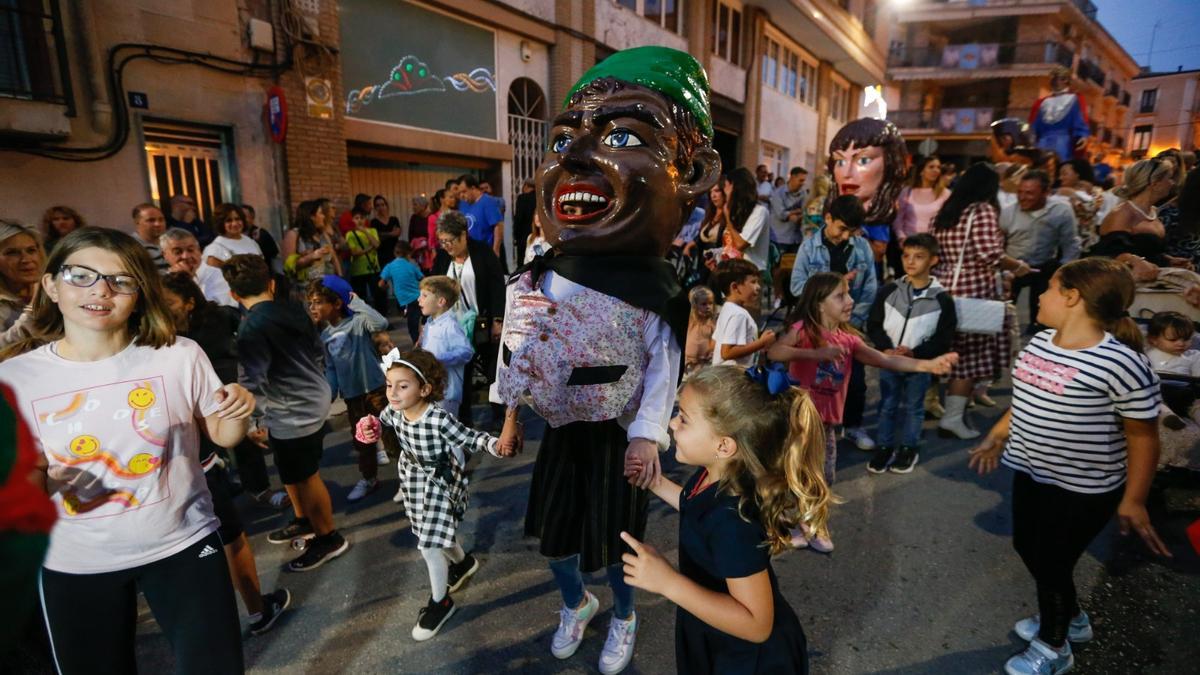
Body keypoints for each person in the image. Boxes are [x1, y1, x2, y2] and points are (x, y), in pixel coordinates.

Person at [492, 46, 722, 675]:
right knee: (557, 539)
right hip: (561, 433)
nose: (573, 157)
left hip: (620, 439)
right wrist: (510, 414)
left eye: (620, 135)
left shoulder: (658, 291)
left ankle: (624, 614)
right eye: (564, 137)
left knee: (621, 541)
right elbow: (516, 353)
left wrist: (648, 438)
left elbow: (662, 368)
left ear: (690, 171)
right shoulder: (537, 275)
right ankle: (577, 603)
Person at [0, 227, 251, 673]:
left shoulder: (178, 355)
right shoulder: (17, 378)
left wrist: (239, 407)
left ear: (140, 292)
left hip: (184, 543)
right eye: (81, 275)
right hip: (75, 562)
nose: (101, 290)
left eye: (121, 280)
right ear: (51, 285)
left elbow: (224, 435)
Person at [968, 258, 1172, 675]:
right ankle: (1072, 618)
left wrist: (1134, 500)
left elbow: (1143, 436)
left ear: (1072, 297)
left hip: (1084, 488)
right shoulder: (1041, 342)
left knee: (1052, 564)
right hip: (1030, 472)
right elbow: (1026, 398)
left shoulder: (1121, 363)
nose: (1039, 296)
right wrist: (998, 433)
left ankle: (1054, 646)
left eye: (1047, 289)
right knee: (1028, 547)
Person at [619, 366, 828, 674]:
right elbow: (696, 510)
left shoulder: (733, 521)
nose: (673, 424)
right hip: (717, 628)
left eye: (684, 419)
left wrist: (668, 582)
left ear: (724, 446)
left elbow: (757, 625)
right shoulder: (714, 476)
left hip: (745, 657)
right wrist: (656, 484)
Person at [159, 272, 291, 635]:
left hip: (208, 445)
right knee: (215, 544)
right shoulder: (164, 349)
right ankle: (243, 614)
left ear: (188, 301)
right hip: (183, 467)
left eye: (167, 303)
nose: (161, 310)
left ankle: (254, 610)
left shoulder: (201, 335)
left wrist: (245, 412)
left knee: (223, 538)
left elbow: (225, 427)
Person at [768, 272, 956, 523]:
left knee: (824, 478)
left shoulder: (849, 340)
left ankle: (809, 524)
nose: (850, 301)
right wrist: (816, 354)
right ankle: (786, 522)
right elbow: (775, 352)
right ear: (819, 303)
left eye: (849, 294)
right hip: (798, 422)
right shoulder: (803, 330)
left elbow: (885, 359)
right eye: (841, 296)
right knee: (792, 474)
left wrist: (928, 365)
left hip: (826, 425)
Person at [355, 348, 504, 641]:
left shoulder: (437, 419)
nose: (393, 393)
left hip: (439, 482)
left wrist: (497, 444)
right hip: (412, 479)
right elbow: (381, 421)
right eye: (389, 385)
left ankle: (441, 603)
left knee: (429, 545)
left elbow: (469, 437)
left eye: (403, 385)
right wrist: (369, 427)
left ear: (425, 389)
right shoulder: (394, 410)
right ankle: (463, 563)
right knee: (430, 532)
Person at [223, 254, 349, 571]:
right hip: (308, 399)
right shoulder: (293, 309)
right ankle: (303, 520)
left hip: (291, 410)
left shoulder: (251, 326)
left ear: (233, 294)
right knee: (292, 470)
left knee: (304, 475)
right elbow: (318, 351)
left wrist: (252, 422)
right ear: (271, 283)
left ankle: (328, 537)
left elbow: (252, 382)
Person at [931, 163, 1033, 439]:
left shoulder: (945, 212)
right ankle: (952, 419)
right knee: (968, 358)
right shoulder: (982, 211)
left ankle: (925, 411)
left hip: (941, 287)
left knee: (939, 353)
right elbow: (990, 254)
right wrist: (1018, 266)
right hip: (972, 290)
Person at [789, 195, 879, 451]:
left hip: (850, 325)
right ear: (828, 218)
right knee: (814, 380)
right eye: (841, 228)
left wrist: (853, 320)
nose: (845, 236)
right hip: (815, 327)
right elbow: (797, 286)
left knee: (856, 380)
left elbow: (870, 288)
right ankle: (809, 427)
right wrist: (828, 288)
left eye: (851, 231)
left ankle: (852, 426)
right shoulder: (809, 246)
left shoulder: (861, 247)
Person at [865, 234, 957, 474]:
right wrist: (885, 347)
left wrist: (915, 352)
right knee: (887, 405)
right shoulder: (889, 290)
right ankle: (884, 447)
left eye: (919, 257)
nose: (911, 261)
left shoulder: (942, 298)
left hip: (919, 364)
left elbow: (943, 338)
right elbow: (874, 324)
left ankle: (908, 447)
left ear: (934, 260)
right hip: (890, 361)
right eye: (906, 256)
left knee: (915, 407)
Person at [307, 274, 395, 503]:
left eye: (318, 302)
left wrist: (355, 301)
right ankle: (369, 478)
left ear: (336, 303)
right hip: (353, 396)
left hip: (376, 389)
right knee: (362, 440)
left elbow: (381, 323)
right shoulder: (325, 335)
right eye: (311, 303)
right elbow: (332, 368)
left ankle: (408, 477)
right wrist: (330, 392)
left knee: (391, 434)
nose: (313, 307)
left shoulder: (358, 322)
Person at [432, 211, 506, 425]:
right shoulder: (443, 257)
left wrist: (497, 320)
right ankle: (463, 421)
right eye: (442, 241)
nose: (446, 246)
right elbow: (433, 286)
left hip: (482, 323)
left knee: (492, 370)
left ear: (463, 235)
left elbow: (496, 287)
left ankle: (499, 416)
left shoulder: (483, 253)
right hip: (454, 327)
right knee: (460, 375)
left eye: (450, 241)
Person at [826, 118, 910, 279]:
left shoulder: (877, 214)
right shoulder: (830, 209)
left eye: (863, 160)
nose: (847, 173)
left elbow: (878, 252)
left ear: (890, 164)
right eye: (840, 161)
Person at [1000, 169, 1081, 334]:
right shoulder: (1008, 213)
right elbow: (999, 245)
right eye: (1020, 192)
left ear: (1046, 193)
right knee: (1003, 312)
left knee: (1043, 315)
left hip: (1044, 266)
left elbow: (1070, 244)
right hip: (1014, 264)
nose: (1023, 197)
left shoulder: (1061, 211)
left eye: (1029, 193)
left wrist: (1063, 273)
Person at [1093, 158, 1189, 281]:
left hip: (1152, 282)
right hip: (1127, 285)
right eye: (1169, 178)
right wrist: (1133, 260)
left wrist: (1168, 260)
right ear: (1155, 183)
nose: (1172, 183)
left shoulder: (1153, 211)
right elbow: (1107, 255)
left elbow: (1147, 251)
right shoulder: (1123, 214)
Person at [416, 276, 474, 416]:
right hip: (432, 388)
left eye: (424, 295)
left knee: (444, 432)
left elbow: (466, 351)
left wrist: (437, 359)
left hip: (447, 393)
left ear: (441, 301)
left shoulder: (450, 325)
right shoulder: (430, 323)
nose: (419, 299)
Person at [711, 259, 775, 368]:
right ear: (735, 287)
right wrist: (761, 343)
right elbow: (726, 353)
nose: (758, 287)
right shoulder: (739, 314)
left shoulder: (727, 308)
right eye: (753, 282)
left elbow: (713, 344)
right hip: (731, 379)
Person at [160, 228, 237, 308]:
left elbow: (215, 313)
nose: (186, 256)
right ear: (164, 255)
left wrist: (187, 281)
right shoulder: (163, 282)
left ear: (199, 250)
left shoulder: (219, 276)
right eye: (178, 252)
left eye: (190, 250)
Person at [1029, 65, 1090, 163]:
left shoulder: (1074, 99)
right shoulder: (1043, 102)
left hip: (1063, 142)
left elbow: (1079, 119)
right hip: (1043, 141)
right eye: (1055, 79)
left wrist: (1082, 135)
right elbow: (1036, 123)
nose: (1057, 82)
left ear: (1067, 81)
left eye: (1061, 79)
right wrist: (1032, 134)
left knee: (1060, 163)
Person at [282, 199, 341, 289]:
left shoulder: (322, 235)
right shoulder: (294, 234)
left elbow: (333, 257)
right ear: (311, 216)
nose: (324, 217)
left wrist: (340, 278)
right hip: (305, 290)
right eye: (320, 213)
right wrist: (311, 256)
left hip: (326, 287)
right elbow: (288, 266)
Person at [722, 168, 771, 274]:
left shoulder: (759, 212)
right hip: (733, 271)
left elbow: (740, 244)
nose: (724, 192)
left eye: (726, 187)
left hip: (750, 274)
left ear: (735, 188)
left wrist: (728, 218)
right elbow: (729, 246)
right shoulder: (737, 212)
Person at [0, 222, 43, 343]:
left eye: (31, 250)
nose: (26, 259)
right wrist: (34, 308)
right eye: (12, 252)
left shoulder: (53, 288)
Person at [379, 239, 424, 343]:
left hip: (407, 300)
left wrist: (385, 287)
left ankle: (417, 346)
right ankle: (420, 344)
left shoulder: (389, 266)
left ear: (395, 253)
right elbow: (422, 278)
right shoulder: (411, 266)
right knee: (418, 322)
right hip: (418, 296)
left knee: (412, 325)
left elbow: (381, 283)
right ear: (408, 254)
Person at [345, 206, 385, 313]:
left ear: (365, 219)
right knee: (361, 296)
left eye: (362, 218)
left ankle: (381, 317)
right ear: (353, 220)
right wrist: (369, 248)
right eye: (356, 218)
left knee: (378, 295)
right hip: (358, 270)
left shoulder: (372, 231)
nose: (359, 220)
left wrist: (365, 232)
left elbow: (377, 244)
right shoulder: (350, 234)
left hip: (373, 268)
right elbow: (354, 252)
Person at [203, 203, 264, 270]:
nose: (234, 224)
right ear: (220, 223)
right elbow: (213, 278)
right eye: (229, 220)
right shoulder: (215, 250)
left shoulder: (251, 242)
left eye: (237, 219)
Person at [456, 174, 504, 259]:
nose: (461, 196)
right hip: (468, 252)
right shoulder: (462, 204)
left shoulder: (488, 201)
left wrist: (496, 249)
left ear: (473, 188)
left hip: (485, 251)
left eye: (464, 191)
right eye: (459, 193)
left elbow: (498, 225)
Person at [1144, 310, 1200, 376]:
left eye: (1186, 339)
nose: (1181, 344)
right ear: (1153, 339)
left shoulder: (1194, 356)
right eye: (1173, 340)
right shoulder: (1144, 355)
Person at [769, 167, 809, 254]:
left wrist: (796, 214)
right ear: (793, 177)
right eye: (801, 180)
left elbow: (805, 211)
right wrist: (796, 212)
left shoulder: (803, 193)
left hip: (796, 239)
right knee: (778, 266)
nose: (803, 183)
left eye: (804, 181)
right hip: (780, 239)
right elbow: (781, 214)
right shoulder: (778, 193)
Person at [684, 285, 716, 375]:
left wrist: (710, 352)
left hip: (704, 365)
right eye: (704, 304)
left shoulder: (711, 324)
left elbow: (715, 340)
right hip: (688, 365)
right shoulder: (689, 323)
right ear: (694, 305)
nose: (708, 307)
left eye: (710, 303)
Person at [242, 205, 281, 274]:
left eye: (244, 217)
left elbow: (273, 257)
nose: (241, 220)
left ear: (252, 218)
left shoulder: (261, 234)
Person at [130, 203, 168, 271]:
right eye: (151, 220)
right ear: (137, 223)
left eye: (161, 219)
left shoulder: (171, 242)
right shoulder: (131, 247)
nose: (157, 224)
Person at [371, 195, 403, 272]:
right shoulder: (374, 222)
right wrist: (390, 233)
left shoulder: (393, 219)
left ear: (386, 206)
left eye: (382, 205)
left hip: (395, 252)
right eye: (378, 205)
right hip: (382, 254)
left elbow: (397, 233)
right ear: (375, 208)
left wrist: (384, 234)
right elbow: (377, 236)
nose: (381, 207)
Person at [512, 179, 537, 264]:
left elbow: (519, 217)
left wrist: (516, 234)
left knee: (522, 260)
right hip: (536, 233)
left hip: (523, 235)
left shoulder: (522, 198)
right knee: (536, 256)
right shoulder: (538, 198)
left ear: (526, 186)